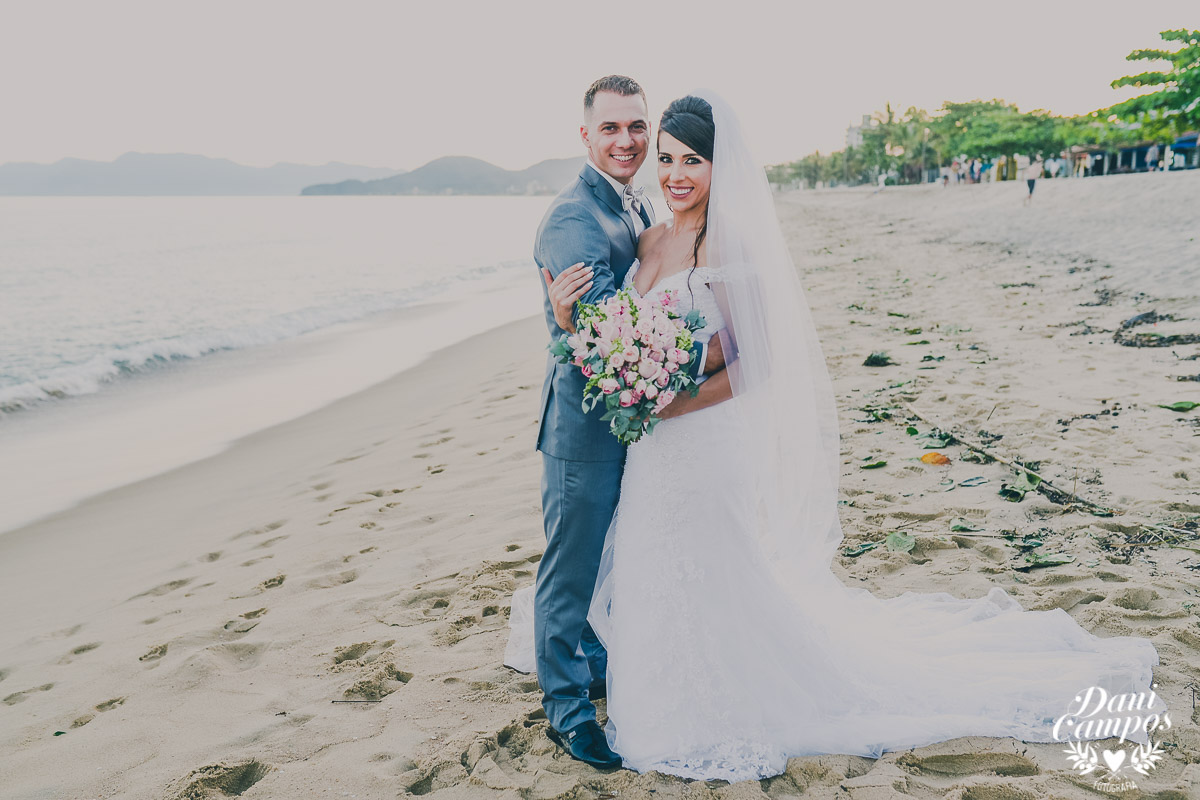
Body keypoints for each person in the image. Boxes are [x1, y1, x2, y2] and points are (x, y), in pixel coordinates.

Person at [512, 91, 1165, 781]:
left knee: (712, 568)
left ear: (718, 166)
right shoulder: (645, 233)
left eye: (690, 160)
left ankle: (719, 695)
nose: (674, 172)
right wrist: (565, 316)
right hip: (650, 453)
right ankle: (652, 693)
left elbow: (751, 363)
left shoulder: (728, 241)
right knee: (653, 569)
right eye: (666, 158)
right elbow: (609, 324)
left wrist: (675, 404)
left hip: (700, 442)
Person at [525, 75, 724, 770]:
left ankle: (597, 666)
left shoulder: (631, 204)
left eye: (636, 127)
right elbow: (614, 328)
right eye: (611, 128)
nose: (628, 140)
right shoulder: (573, 217)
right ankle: (569, 712)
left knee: (613, 558)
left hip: (633, 426)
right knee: (571, 568)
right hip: (584, 429)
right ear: (586, 136)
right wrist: (563, 313)